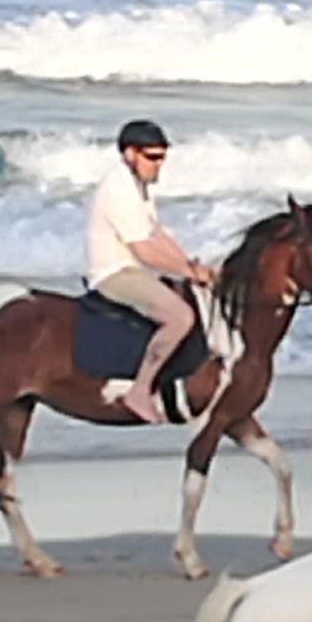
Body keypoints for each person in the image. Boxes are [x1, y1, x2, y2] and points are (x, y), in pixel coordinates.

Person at [84, 118, 210, 423]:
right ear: (130, 154)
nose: (159, 165)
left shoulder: (138, 185)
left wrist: (190, 266)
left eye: (162, 158)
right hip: (115, 273)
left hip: (137, 270)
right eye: (152, 157)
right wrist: (190, 272)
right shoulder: (119, 190)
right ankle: (140, 391)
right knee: (180, 317)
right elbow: (145, 251)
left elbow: (157, 234)